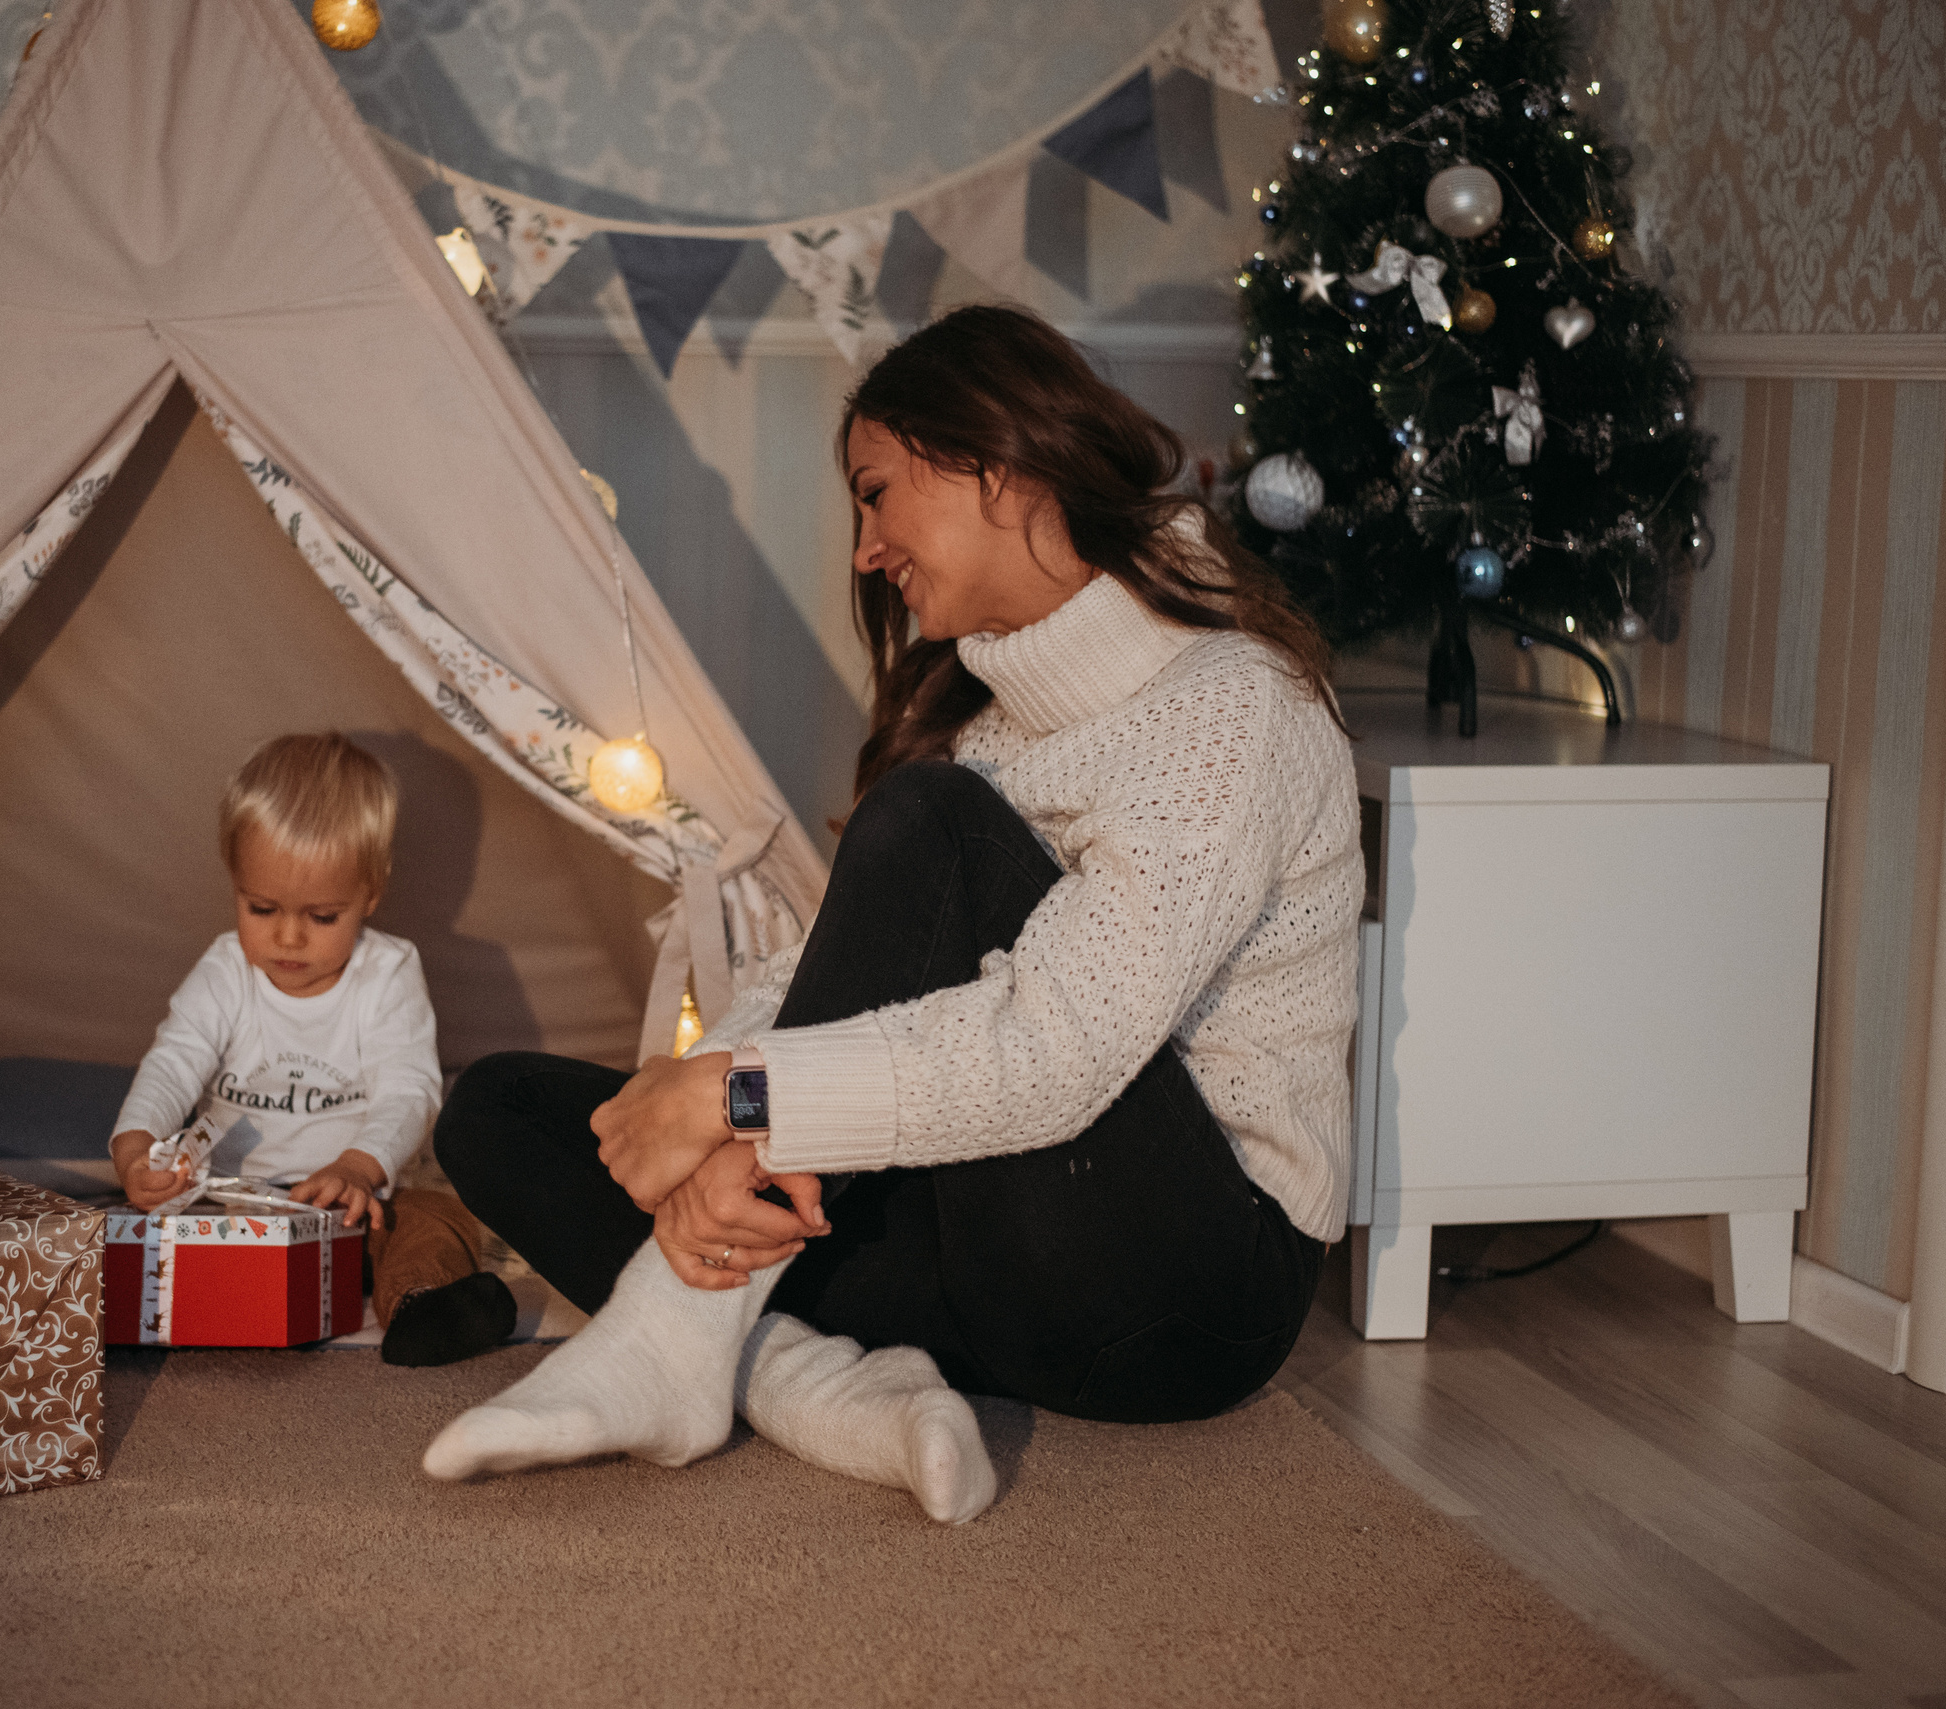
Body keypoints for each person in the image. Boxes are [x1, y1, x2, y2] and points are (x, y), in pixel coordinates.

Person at [422, 305, 1362, 1519]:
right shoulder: (993, 728)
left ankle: (676, 1321)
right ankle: (823, 1388)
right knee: (501, 1109)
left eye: (876, 495)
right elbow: (833, 974)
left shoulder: (1232, 703)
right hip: (997, 1268)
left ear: (993, 464)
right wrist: (711, 1097)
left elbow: (1053, 1051)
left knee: (927, 822)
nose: (865, 551)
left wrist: (734, 1101)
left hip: (1178, 1297)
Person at [110, 731, 517, 1366]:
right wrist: (136, 1149)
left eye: (322, 917)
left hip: (356, 1210)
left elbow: (409, 1090)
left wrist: (358, 1168)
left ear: (371, 894)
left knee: (434, 1217)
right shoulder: (225, 971)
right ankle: (220, 1300)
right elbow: (173, 1063)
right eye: (261, 908)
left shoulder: (387, 973)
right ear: (236, 883)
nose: (289, 937)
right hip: (235, 1205)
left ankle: (422, 1304)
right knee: (139, 1233)